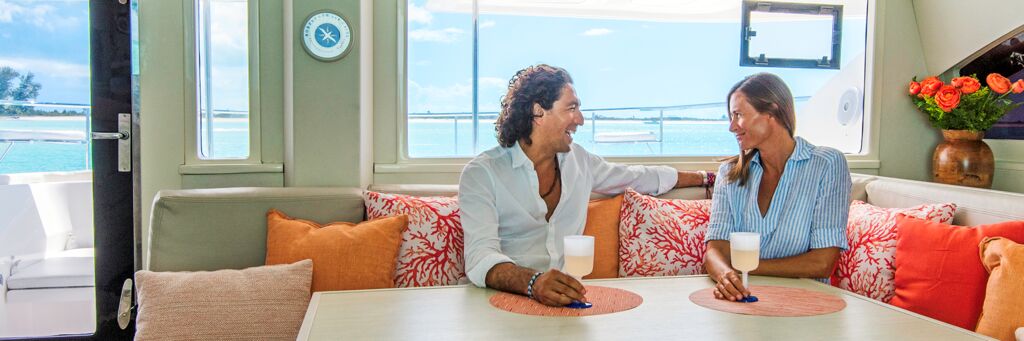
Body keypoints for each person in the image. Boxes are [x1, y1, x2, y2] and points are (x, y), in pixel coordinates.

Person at [459, 64, 712, 307]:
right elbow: (480, 256)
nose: (580, 120)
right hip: (499, 301)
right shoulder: (483, 173)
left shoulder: (579, 161)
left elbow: (639, 176)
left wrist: (706, 178)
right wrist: (533, 282)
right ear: (538, 112)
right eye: (571, 108)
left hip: (568, 302)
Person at [703, 72, 851, 301]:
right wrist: (726, 277)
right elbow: (715, 251)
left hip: (804, 305)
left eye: (738, 115)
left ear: (771, 111)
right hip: (739, 301)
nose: (732, 127)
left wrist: (742, 268)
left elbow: (822, 263)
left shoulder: (827, 164)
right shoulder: (729, 174)